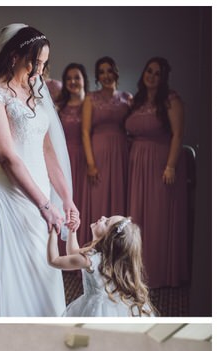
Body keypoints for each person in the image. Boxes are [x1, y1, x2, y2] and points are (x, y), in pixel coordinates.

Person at [0, 24, 78, 317]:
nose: (39, 70)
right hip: (5, 193)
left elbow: (47, 150)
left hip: (39, 193)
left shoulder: (35, 90)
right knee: (6, 271)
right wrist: (45, 205)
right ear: (15, 56)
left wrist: (65, 199)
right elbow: (7, 157)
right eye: (35, 61)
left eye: (44, 63)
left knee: (41, 266)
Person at [126, 57, 192, 289]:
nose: (151, 76)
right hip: (137, 166)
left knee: (157, 217)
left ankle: (158, 272)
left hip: (160, 163)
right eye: (149, 71)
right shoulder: (137, 101)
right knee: (138, 217)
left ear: (163, 78)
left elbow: (178, 134)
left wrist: (171, 166)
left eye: (157, 73)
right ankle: (137, 271)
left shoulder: (171, 100)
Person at [49, 214, 156, 316]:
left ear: (108, 239)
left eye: (106, 222)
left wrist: (53, 230)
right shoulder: (104, 256)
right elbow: (73, 253)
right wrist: (72, 230)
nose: (103, 217)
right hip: (113, 304)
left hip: (95, 309)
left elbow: (54, 260)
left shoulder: (90, 260)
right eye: (107, 218)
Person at [82, 56, 131, 244]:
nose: (105, 75)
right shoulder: (90, 99)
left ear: (115, 72)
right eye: (101, 72)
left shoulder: (127, 98)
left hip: (121, 154)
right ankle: (95, 250)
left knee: (120, 201)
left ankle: (118, 251)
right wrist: (91, 163)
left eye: (109, 70)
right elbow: (85, 132)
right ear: (97, 77)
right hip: (99, 152)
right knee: (99, 201)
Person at [56, 63, 91, 242]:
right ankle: (63, 251)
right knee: (66, 199)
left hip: (86, 159)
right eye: (68, 78)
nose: (72, 81)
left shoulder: (92, 104)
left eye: (77, 77)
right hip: (63, 159)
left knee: (83, 201)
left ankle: (82, 245)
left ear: (84, 79)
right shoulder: (59, 107)